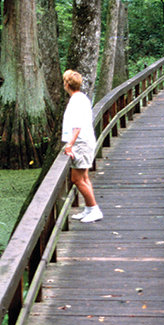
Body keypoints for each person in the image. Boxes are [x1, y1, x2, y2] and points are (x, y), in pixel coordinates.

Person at [61, 70, 103, 222]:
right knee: (84, 177)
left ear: (67, 84)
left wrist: (69, 145)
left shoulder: (76, 101)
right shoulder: (81, 98)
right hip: (84, 141)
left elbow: (77, 126)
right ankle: (88, 209)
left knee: (77, 179)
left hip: (81, 143)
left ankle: (94, 209)